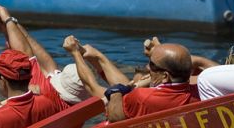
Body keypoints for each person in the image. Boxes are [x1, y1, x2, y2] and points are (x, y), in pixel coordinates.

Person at [63, 36, 198, 122]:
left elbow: (94, 89)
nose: (147, 67)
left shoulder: (142, 97)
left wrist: (75, 53)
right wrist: (159, 52)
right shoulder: (198, 90)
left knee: (119, 87)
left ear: (165, 76)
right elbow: (205, 65)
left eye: (151, 65)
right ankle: (98, 57)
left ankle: (92, 56)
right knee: (132, 82)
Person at [0, 5, 92, 113]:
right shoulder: (80, 108)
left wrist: (8, 20)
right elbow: (49, 66)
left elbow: (24, 56)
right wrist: (11, 25)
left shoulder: (49, 94)